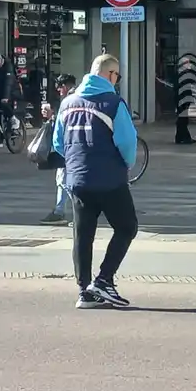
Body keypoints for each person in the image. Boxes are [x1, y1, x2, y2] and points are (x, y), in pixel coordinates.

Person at [52, 54, 139, 310]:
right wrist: (127, 165)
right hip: (109, 179)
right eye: (117, 76)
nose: (117, 80)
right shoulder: (113, 103)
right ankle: (104, 280)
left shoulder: (68, 103)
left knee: (83, 234)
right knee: (126, 227)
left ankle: (84, 291)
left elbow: (59, 143)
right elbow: (127, 143)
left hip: (77, 179)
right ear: (110, 75)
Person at [40, 74, 77, 225]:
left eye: (60, 86)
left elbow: (67, 121)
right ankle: (59, 211)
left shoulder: (72, 98)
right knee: (62, 179)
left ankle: (74, 212)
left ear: (66, 86)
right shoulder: (73, 97)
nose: (58, 90)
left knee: (64, 180)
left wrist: (52, 117)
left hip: (69, 146)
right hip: (69, 145)